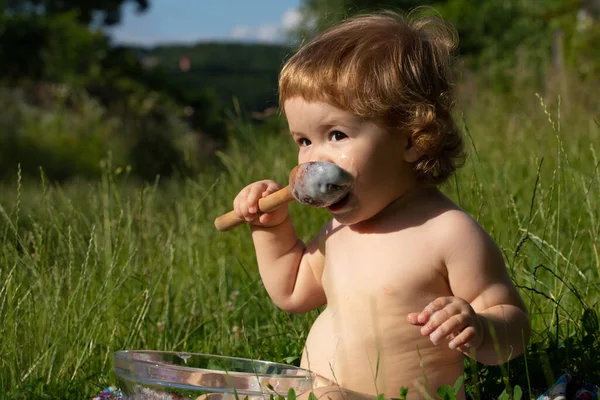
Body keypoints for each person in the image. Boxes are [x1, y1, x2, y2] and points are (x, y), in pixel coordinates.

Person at [230, 9, 531, 400]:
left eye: (336, 134)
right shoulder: (342, 229)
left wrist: (479, 326)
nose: (312, 161)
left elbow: (515, 326)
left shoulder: (446, 232)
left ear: (411, 140)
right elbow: (292, 292)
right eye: (303, 141)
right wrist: (270, 227)